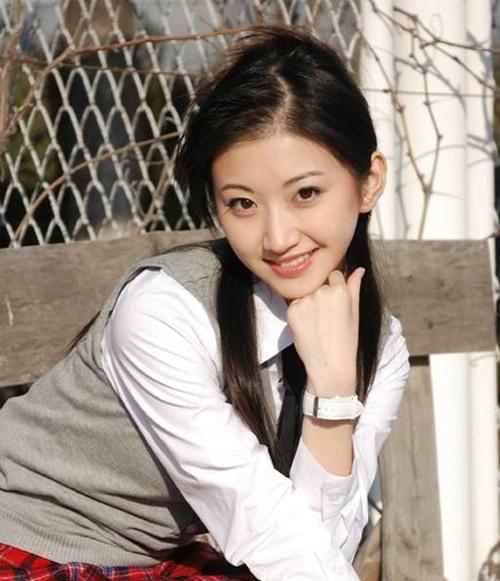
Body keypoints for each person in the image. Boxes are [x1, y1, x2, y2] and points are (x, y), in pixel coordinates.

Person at [0, 25, 410, 581]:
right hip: (26, 543)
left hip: (147, 559)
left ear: (368, 182)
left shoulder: (379, 346)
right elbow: (264, 525)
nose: (278, 238)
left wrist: (333, 395)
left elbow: (320, 545)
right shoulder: (164, 313)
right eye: (242, 204)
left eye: (306, 193)